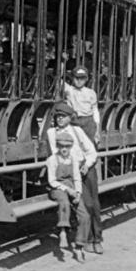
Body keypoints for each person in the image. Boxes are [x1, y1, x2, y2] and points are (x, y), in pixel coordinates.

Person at [45, 101, 102, 254]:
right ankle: (84, 240)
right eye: (58, 117)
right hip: (69, 171)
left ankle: (97, 240)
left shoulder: (77, 131)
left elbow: (92, 152)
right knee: (81, 204)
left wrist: (87, 165)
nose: (60, 119)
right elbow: (54, 154)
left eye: (63, 116)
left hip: (85, 168)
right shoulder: (51, 133)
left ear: (70, 118)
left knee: (92, 204)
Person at [45, 129, 89, 258]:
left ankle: (79, 246)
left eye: (67, 146)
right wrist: (67, 190)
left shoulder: (73, 159)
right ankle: (63, 231)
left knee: (84, 215)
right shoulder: (52, 159)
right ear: (57, 146)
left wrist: (78, 193)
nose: (64, 149)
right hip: (57, 188)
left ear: (71, 147)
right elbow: (52, 181)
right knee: (64, 202)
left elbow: (76, 177)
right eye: (61, 146)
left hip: (71, 186)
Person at [63, 66, 102, 144]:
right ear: (73, 78)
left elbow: (95, 111)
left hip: (89, 122)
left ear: (86, 79)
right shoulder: (69, 90)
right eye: (76, 78)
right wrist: (63, 61)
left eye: (82, 78)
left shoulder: (91, 93)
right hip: (75, 121)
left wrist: (97, 130)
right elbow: (59, 78)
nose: (79, 81)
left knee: (89, 147)